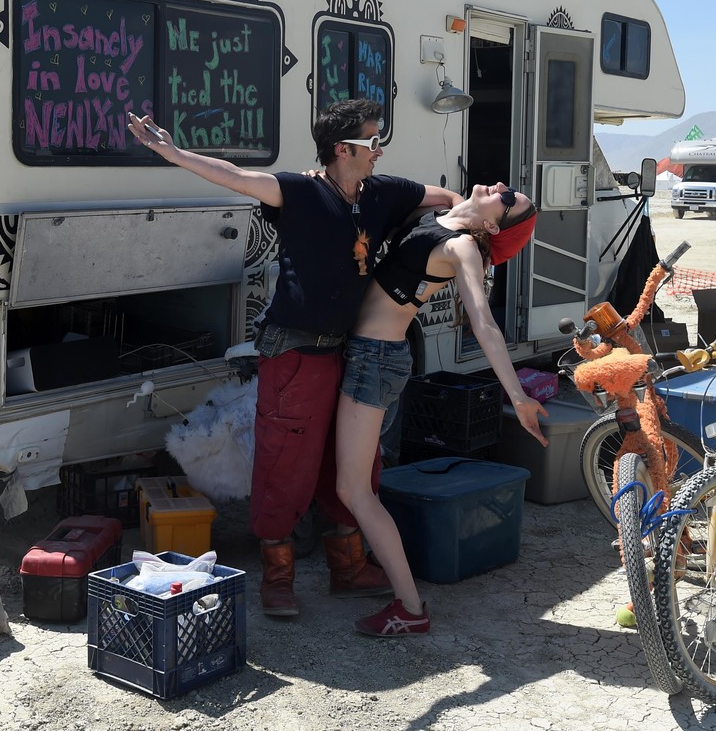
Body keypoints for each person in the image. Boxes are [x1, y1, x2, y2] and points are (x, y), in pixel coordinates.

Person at [126, 100, 459, 618]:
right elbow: (235, 175)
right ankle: (277, 580)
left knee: (353, 461)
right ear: (343, 149)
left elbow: (449, 200)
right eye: (373, 142)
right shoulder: (300, 191)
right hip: (295, 351)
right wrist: (172, 153)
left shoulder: (386, 192)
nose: (380, 149)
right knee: (286, 462)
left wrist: (462, 233)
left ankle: (347, 567)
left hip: (352, 351)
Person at [333, 182, 549, 636]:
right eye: (511, 189)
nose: (503, 188)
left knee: (354, 490)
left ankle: (410, 608)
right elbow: (419, 192)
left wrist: (518, 397)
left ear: (492, 224)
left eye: (508, 199)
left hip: (375, 359)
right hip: (362, 353)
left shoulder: (463, 246)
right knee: (354, 484)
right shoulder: (453, 211)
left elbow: (484, 324)